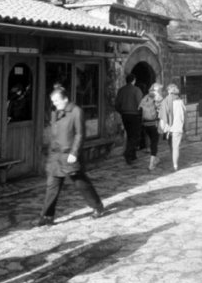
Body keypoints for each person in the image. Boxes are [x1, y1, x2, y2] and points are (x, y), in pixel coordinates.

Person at [37, 86, 104, 226]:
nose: (54, 103)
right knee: (52, 186)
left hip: (69, 155)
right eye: (53, 101)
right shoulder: (56, 113)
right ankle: (47, 216)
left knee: (81, 183)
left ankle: (97, 207)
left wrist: (74, 152)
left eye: (56, 100)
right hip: (56, 156)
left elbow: (80, 134)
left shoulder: (76, 111)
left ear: (65, 99)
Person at [115, 74, 143, 166]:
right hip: (134, 115)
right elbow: (140, 104)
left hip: (125, 115)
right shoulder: (136, 90)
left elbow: (117, 104)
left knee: (130, 135)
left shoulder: (121, 90)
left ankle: (133, 155)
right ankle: (127, 153)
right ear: (133, 80)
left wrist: (122, 112)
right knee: (135, 136)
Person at [160, 84, 186, 171]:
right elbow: (184, 115)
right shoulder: (180, 102)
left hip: (168, 128)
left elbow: (162, 116)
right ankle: (175, 165)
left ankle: (173, 161)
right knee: (176, 147)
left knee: (171, 146)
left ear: (168, 91)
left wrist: (163, 127)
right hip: (177, 127)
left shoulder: (165, 101)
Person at [138, 86, 161, 170]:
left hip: (145, 125)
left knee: (152, 141)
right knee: (154, 143)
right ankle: (151, 164)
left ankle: (155, 158)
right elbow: (160, 112)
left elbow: (139, 110)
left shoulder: (144, 99)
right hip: (154, 124)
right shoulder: (156, 100)